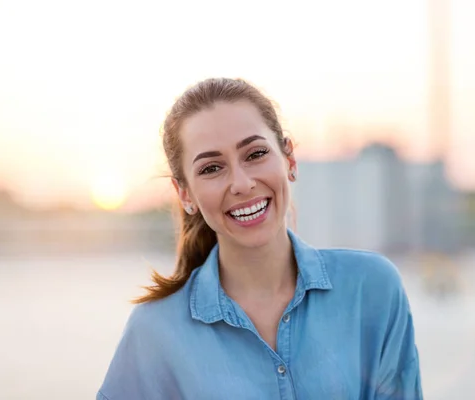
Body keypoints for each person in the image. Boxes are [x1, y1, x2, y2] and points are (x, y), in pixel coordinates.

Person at [97, 78, 423, 400]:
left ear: (289, 159)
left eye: (255, 154)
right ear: (184, 194)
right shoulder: (155, 331)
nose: (241, 183)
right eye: (211, 168)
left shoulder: (372, 288)